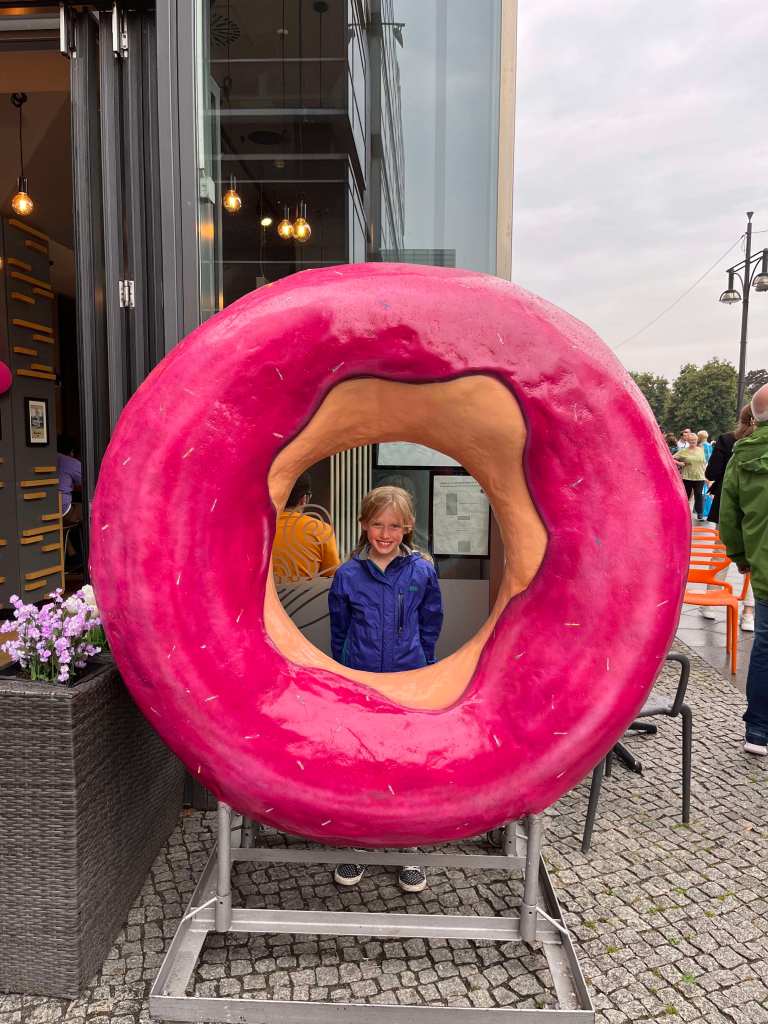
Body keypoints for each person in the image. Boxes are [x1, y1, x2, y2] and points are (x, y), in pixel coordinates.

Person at [328, 485, 444, 893]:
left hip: (408, 680)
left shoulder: (422, 571)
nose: (385, 533)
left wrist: (425, 669)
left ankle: (408, 846)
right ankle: (357, 843)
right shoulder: (347, 575)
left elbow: (431, 621)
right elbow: (339, 631)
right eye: (377, 524)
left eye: (394, 525)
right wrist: (343, 679)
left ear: (408, 527)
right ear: (363, 525)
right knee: (361, 764)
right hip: (361, 681)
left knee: (407, 764)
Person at [719, 382, 768, 756]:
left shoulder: (743, 453)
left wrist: (740, 557)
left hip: (764, 566)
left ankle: (758, 732)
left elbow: (729, 517)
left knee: (764, 648)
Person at [705, 405, 755, 630]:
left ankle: (711, 599)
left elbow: (711, 473)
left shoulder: (727, 440)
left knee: (720, 552)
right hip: (755, 505)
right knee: (757, 560)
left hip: (726, 502)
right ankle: (749, 612)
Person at [272, 473, 340, 582]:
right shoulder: (320, 529)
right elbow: (333, 576)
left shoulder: (254, 529)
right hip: (303, 598)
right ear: (304, 499)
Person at [57, 434, 83, 568]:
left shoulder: (48, 458)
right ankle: (90, 555)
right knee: (93, 510)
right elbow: (89, 484)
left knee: (59, 525)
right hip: (64, 511)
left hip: (47, 512)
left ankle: (72, 555)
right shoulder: (70, 462)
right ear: (72, 451)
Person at [673, 432, 706, 520]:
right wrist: (680, 463)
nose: (693, 441)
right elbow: (671, 458)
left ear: (697, 440)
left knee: (698, 494)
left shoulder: (701, 449)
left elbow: (705, 462)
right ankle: (682, 512)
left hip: (700, 476)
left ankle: (700, 513)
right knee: (685, 496)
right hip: (687, 477)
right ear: (687, 441)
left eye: (694, 440)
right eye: (691, 440)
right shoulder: (684, 451)